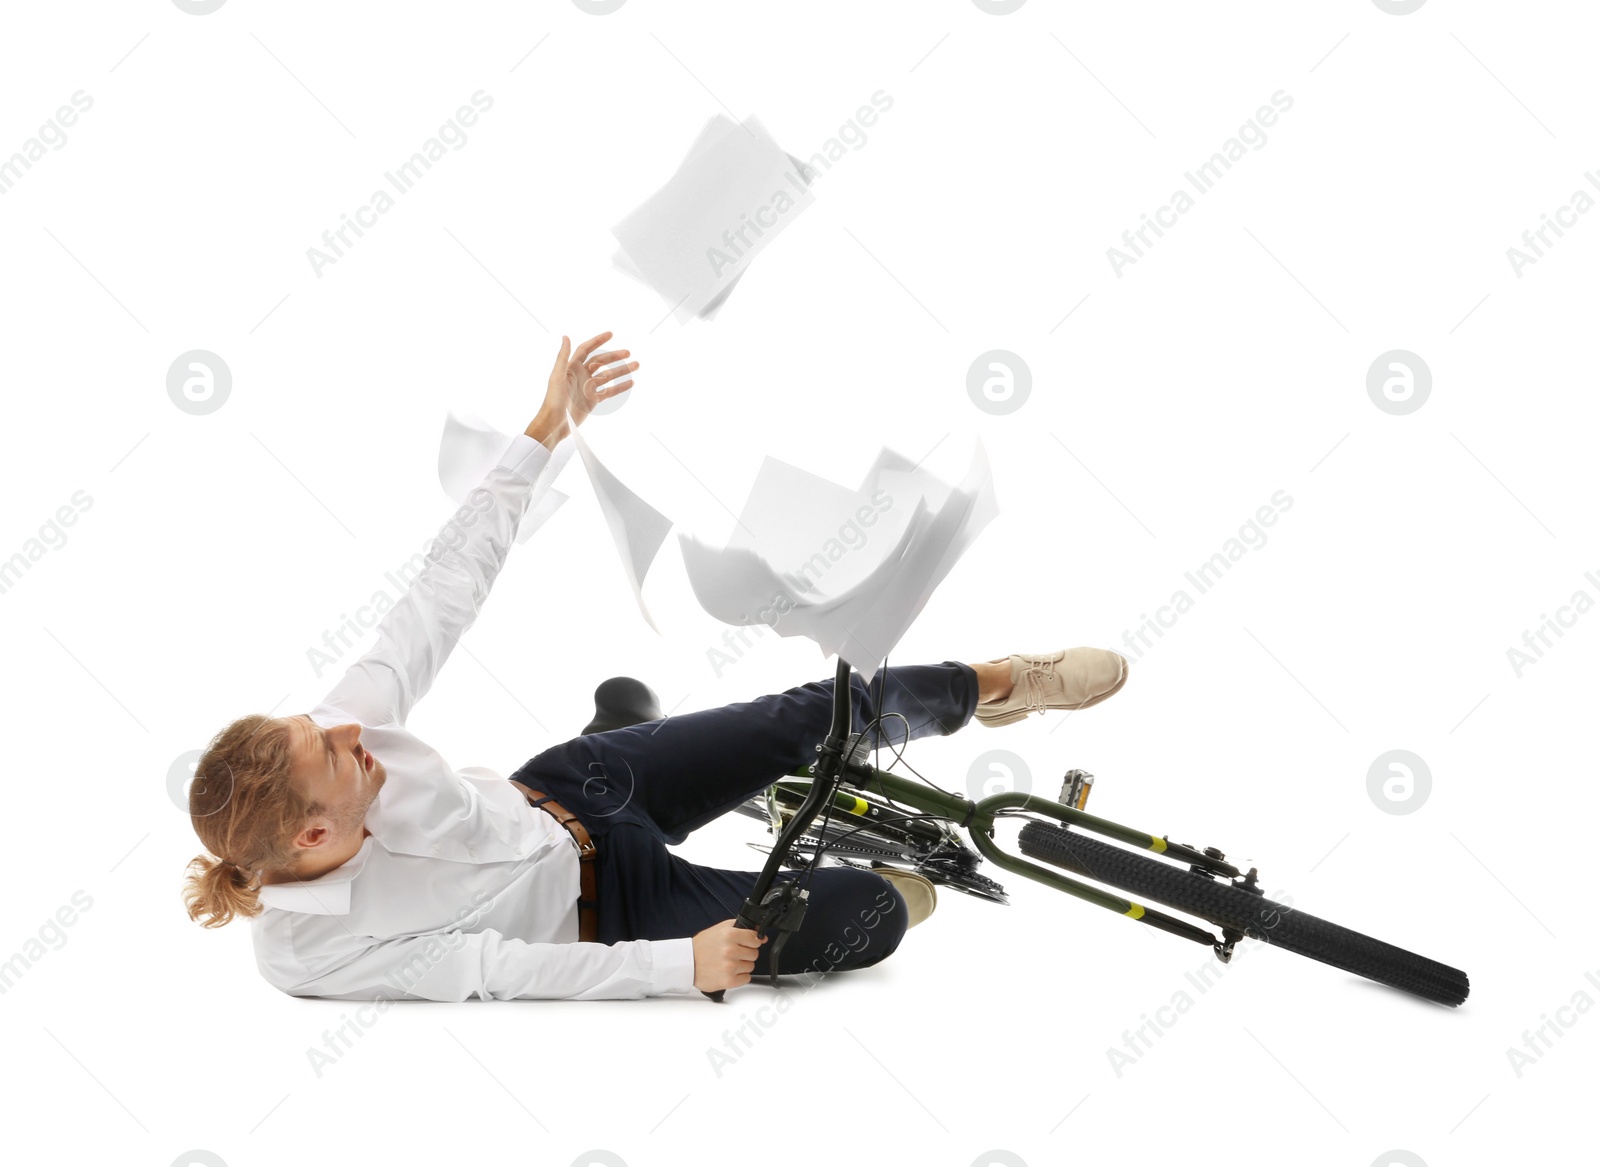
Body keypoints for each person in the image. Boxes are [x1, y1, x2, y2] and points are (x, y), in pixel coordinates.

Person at [181, 331, 1130, 1002]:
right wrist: (681, 967)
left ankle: (1000, 683)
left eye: (327, 725)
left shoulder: (347, 727)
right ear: (311, 837)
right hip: (618, 909)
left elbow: (440, 594)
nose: (351, 727)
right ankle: (878, 863)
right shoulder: (310, 950)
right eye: (335, 754)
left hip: (571, 789)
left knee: (808, 711)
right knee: (867, 920)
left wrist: (544, 426)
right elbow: (498, 972)